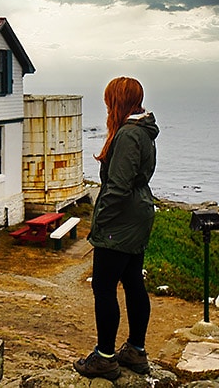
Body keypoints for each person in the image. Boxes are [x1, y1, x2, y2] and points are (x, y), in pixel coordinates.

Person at [74, 76, 159, 380]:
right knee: (133, 281)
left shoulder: (127, 135)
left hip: (121, 220)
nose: (107, 105)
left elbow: (119, 187)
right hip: (138, 215)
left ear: (118, 101)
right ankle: (135, 351)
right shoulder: (144, 132)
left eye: (109, 100)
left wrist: (100, 223)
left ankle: (105, 357)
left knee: (104, 287)